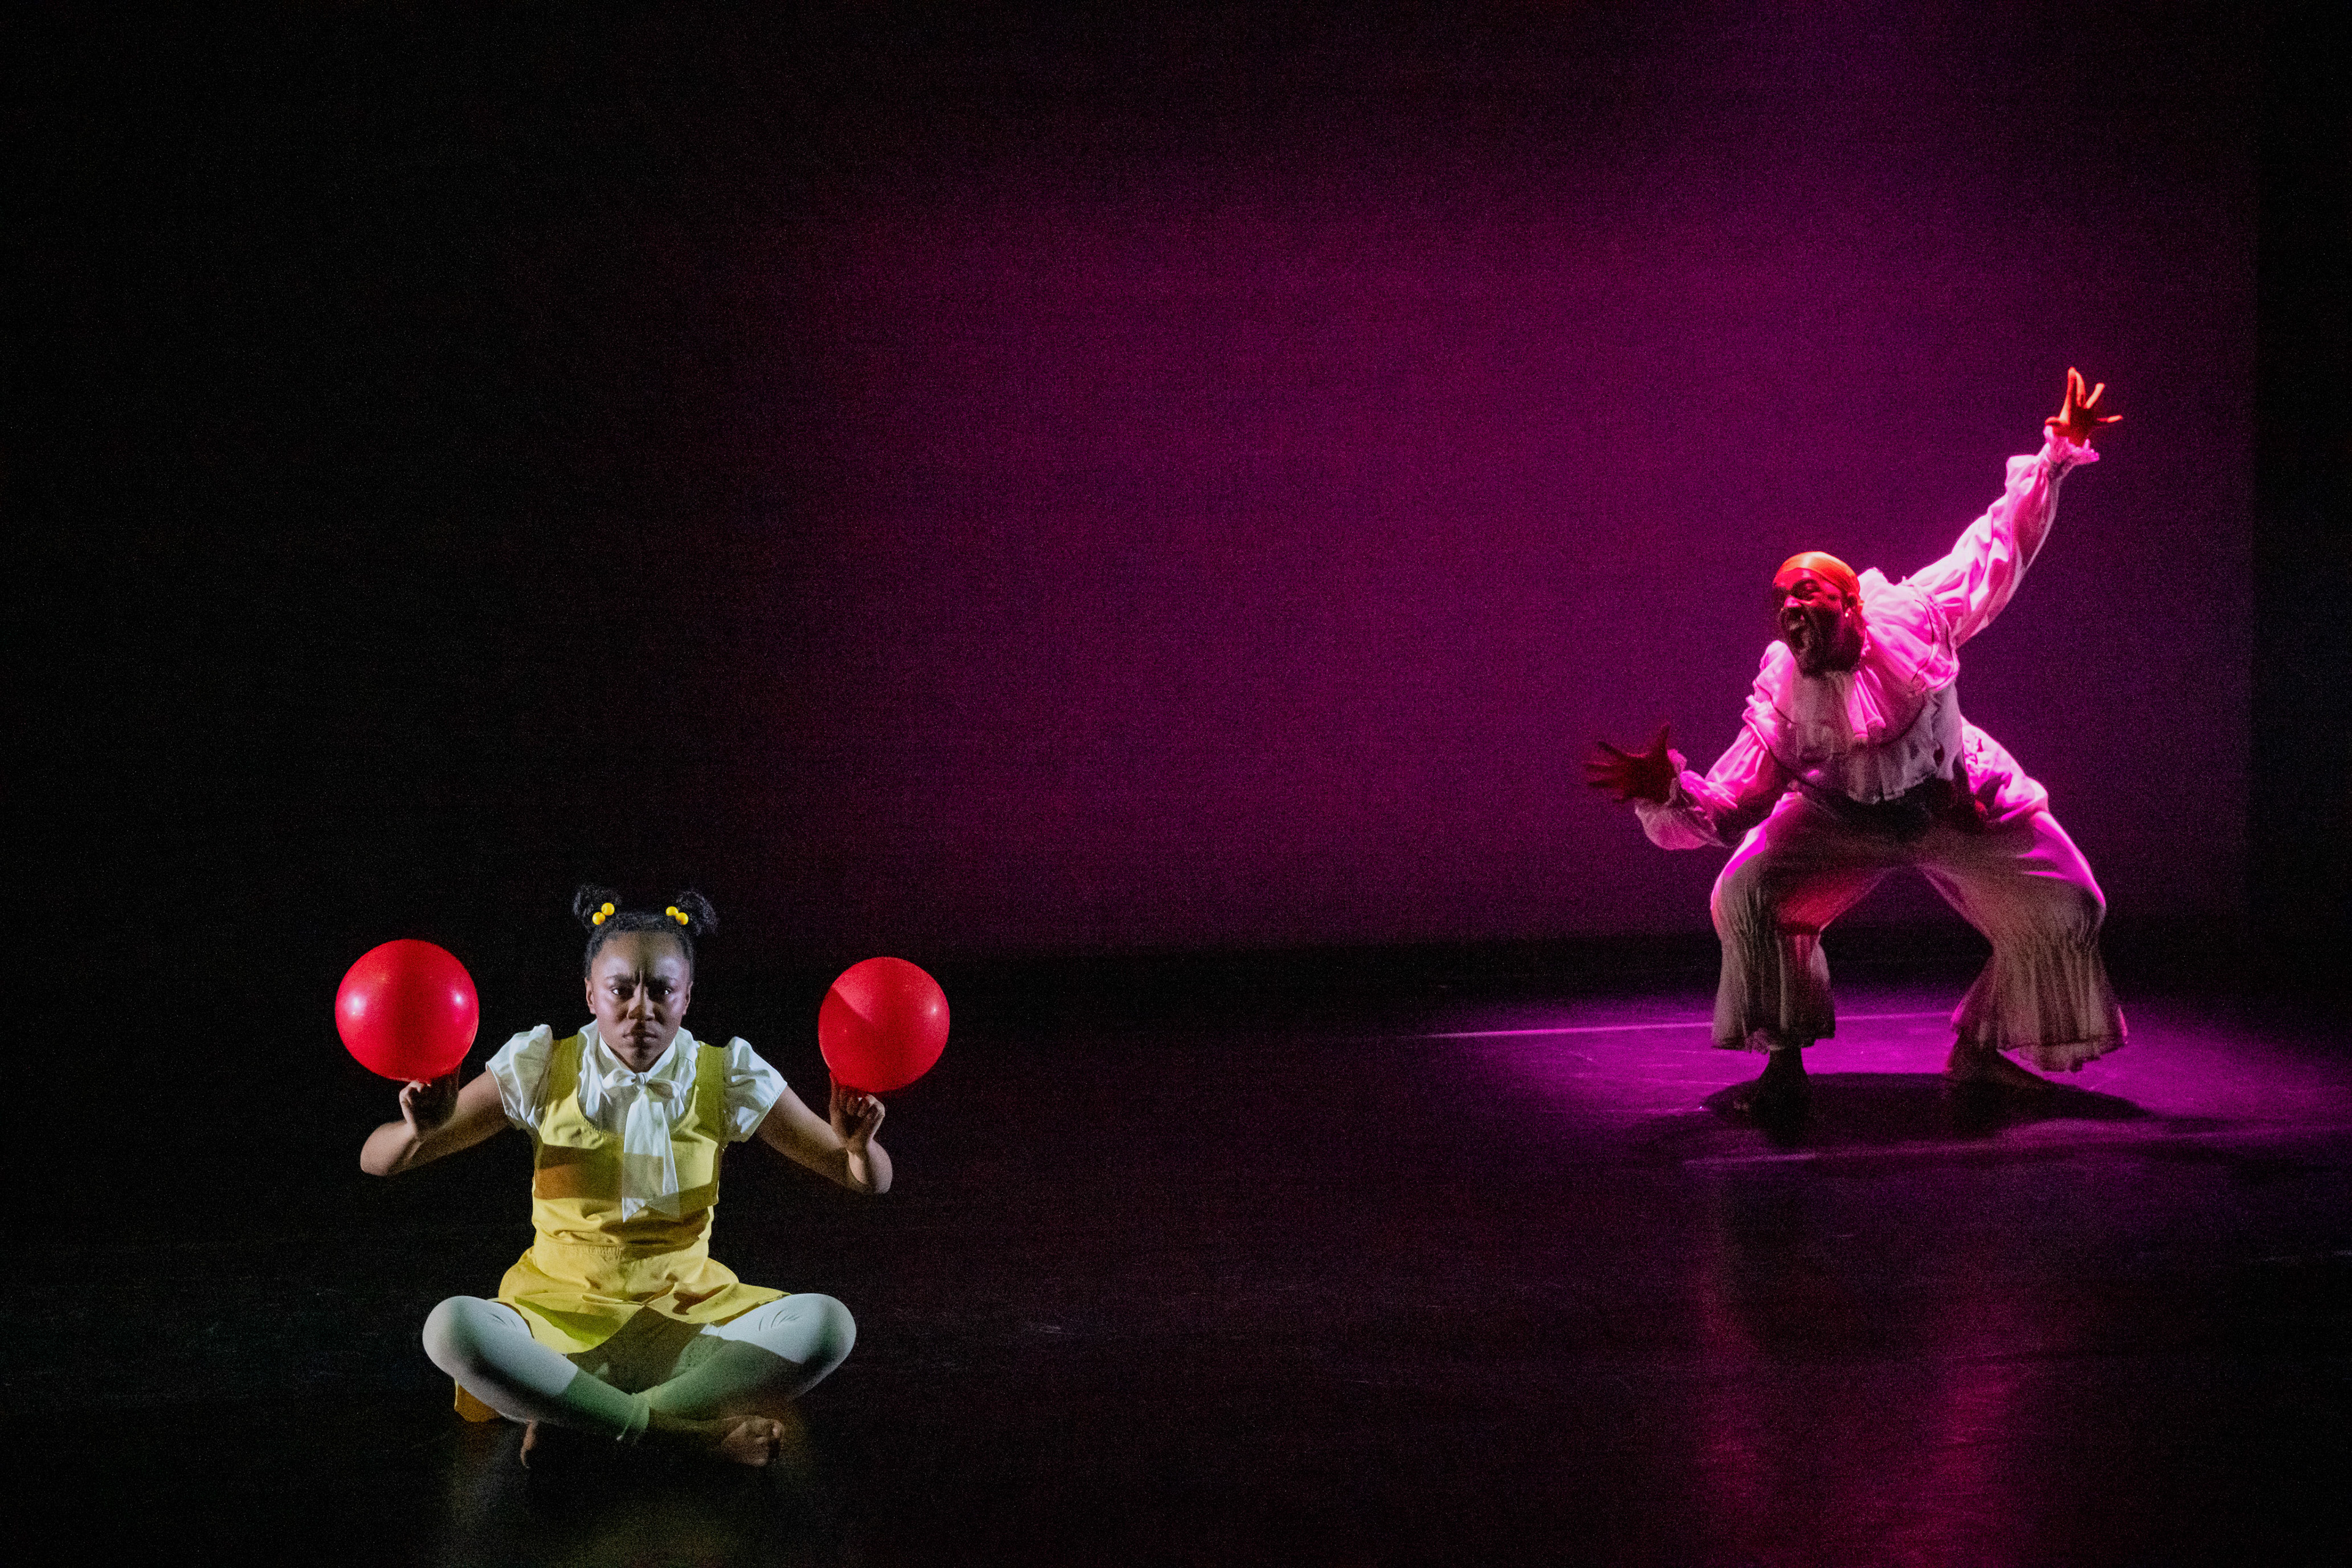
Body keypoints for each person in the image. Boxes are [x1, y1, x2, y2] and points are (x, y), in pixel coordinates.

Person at [1585, 369, 2127, 1118]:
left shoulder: (1916, 616)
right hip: (1842, 817)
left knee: (2072, 903)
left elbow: (1998, 546)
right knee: (1745, 891)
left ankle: (1978, 1054)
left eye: (1805, 593)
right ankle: (1784, 1063)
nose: (1789, 608)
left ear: (1851, 603)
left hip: (1954, 801)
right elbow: (1738, 803)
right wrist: (1668, 791)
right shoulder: (1785, 687)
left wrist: (2056, 454)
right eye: (1780, 599)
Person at [360, 886, 891, 1468]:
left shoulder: (727, 1073)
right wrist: (419, 1131)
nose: (641, 1008)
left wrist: (859, 1147)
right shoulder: (542, 1065)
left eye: (661, 990)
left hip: (687, 1320)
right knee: (450, 1328)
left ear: (687, 996)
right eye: (621, 990)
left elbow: (867, 1179)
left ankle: (589, 1426)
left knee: (829, 1326)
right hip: (559, 1322)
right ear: (591, 993)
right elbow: (377, 1158)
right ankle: (683, 1437)